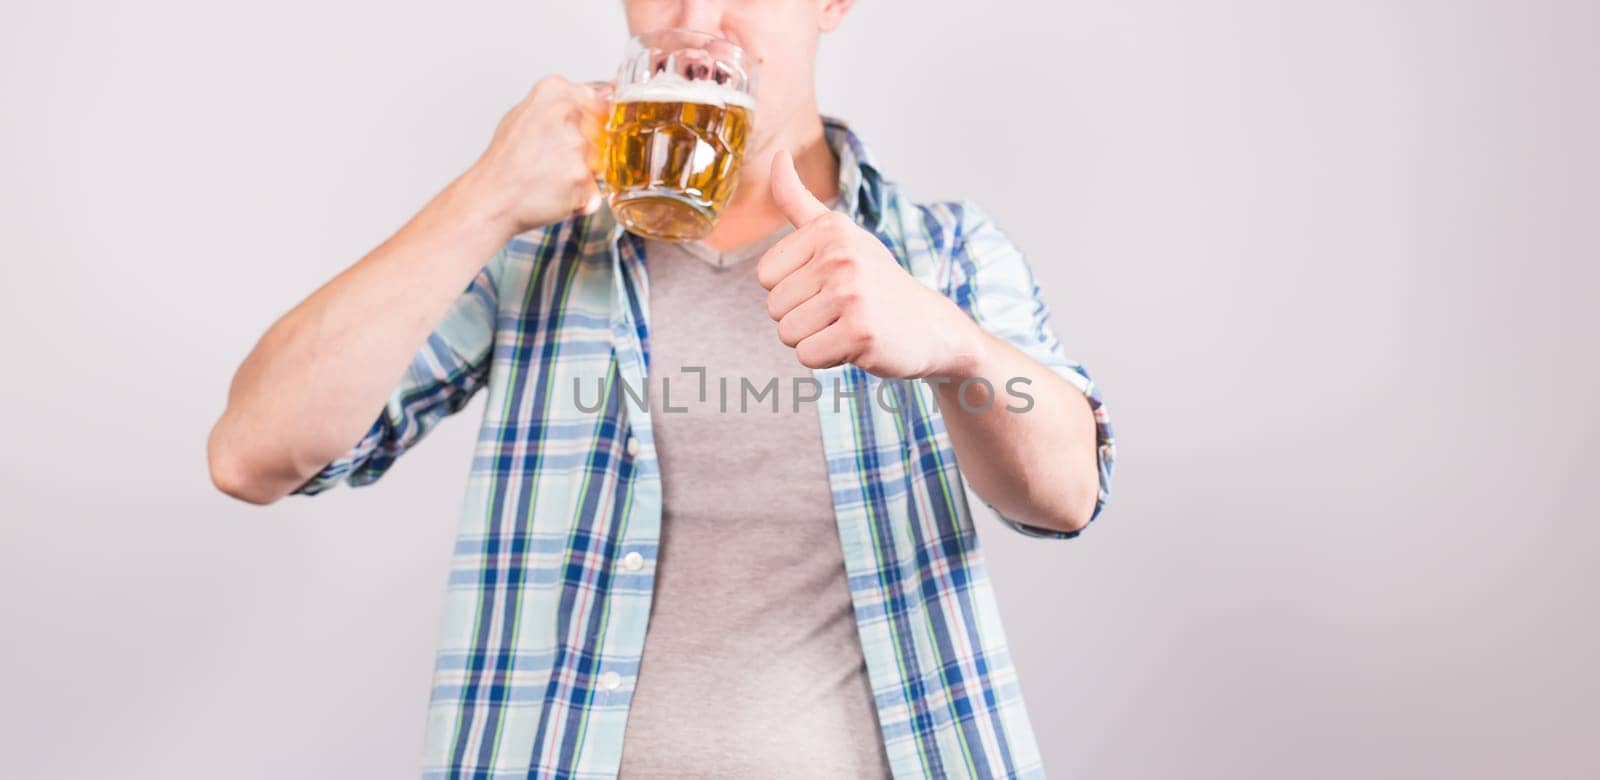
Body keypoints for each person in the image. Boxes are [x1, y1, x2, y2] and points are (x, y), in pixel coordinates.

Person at [207, 0, 1115, 776]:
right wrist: (484, 196)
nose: (691, 25)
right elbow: (253, 453)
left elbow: (1066, 495)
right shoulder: (534, 251)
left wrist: (953, 345)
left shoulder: (940, 250)